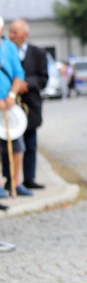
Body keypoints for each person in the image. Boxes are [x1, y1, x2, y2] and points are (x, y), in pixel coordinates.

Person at [7, 19, 48, 190]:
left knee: (30, 142)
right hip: (10, 102)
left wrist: (26, 84)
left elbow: (43, 78)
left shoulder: (38, 53)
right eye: (10, 32)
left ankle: (29, 177)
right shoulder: (6, 51)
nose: (11, 36)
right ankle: (11, 178)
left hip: (30, 103)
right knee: (11, 142)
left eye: (15, 33)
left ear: (25, 35)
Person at [0, 17, 28, 206]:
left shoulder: (9, 48)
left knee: (17, 146)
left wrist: (11, 95)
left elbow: (19, 74)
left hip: (9, 105)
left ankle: (15, 182)